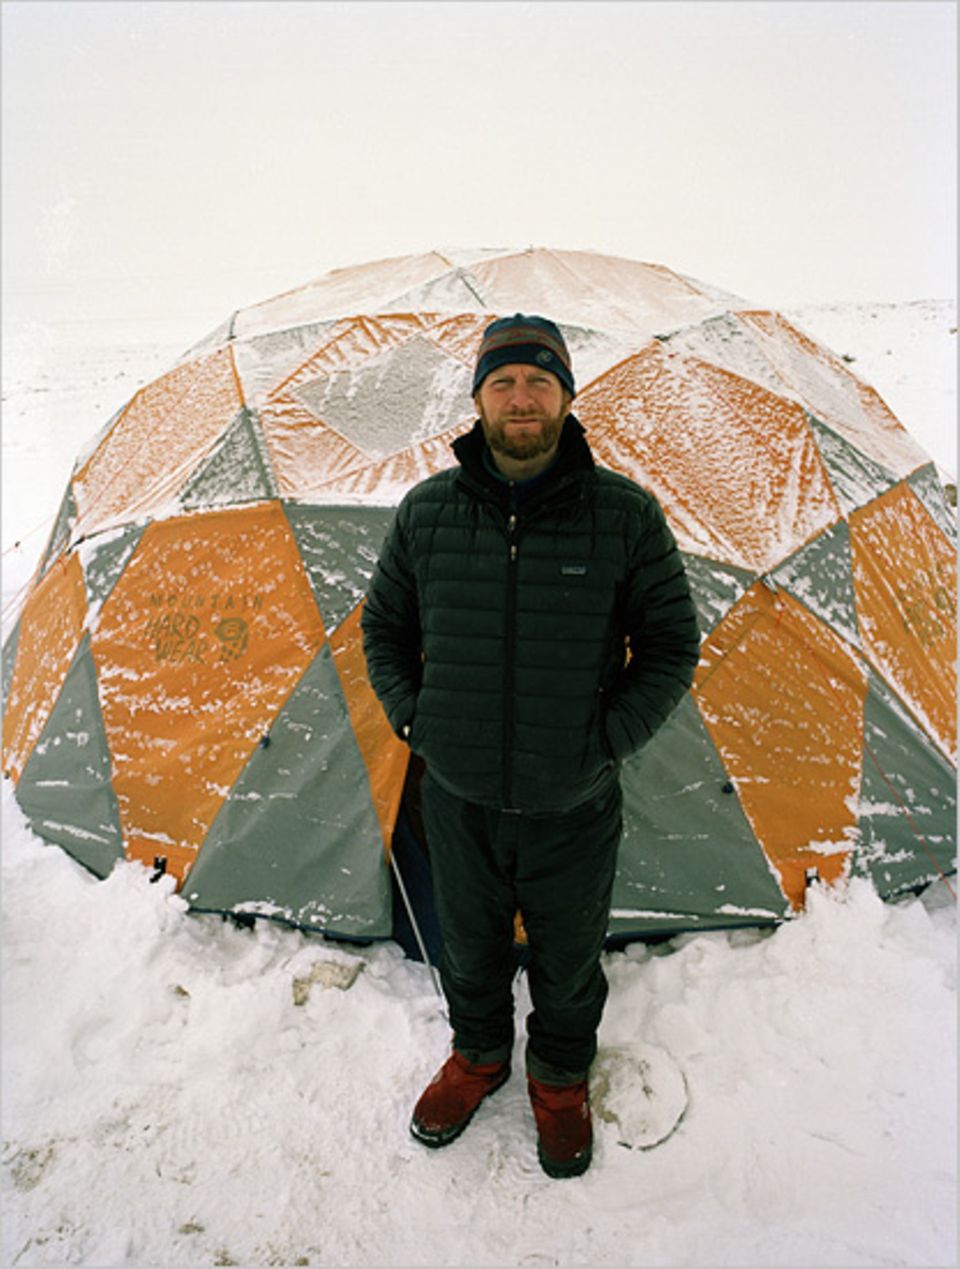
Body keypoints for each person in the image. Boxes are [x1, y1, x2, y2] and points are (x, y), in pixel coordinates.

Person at [361, 313, 700, 1178]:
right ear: (478, 399)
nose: (522, 398)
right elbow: (384, 628)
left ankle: (557, 1080)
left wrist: (607, 738)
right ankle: (477, 1057)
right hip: (460, 797)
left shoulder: (623, 515)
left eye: (539, 382)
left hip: (574, 804)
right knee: (468, 948)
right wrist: (416, 719)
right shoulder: (428, 512)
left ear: (565, 396)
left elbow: (669, 644)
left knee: (568, 956)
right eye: (504, 382)